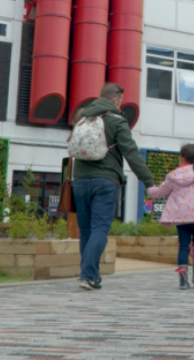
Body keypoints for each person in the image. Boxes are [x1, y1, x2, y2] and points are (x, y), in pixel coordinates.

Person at [72, 82, 155, 291]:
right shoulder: (117, 122)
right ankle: (87, 275)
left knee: (86, 231)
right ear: (116, 101)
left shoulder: (81, 118)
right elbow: (132, 154)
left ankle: (92, 275)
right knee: (100, 229)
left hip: (79, 180)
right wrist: (149, 182)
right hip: (105, 181)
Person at [146, 143, 194, 289]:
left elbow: (162, 191)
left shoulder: (173, 175)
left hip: (181, 217)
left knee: (183, 246)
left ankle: (183, 281)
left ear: (181, 158)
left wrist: (150, 190)